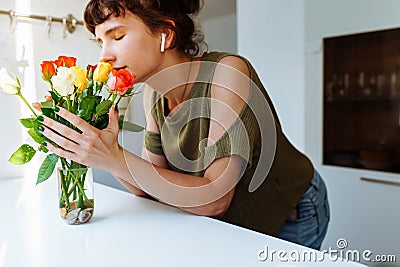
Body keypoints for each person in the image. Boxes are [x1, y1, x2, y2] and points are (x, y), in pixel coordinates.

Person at [38, 0, 330, 250]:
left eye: (117, 36)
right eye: (100, 42)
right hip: (231, 220)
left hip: (293, 209)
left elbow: (215, 200)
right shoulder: (154, 92)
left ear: (165, 34)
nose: (105, 55)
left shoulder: (227, 73)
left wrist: (114, 158)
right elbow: (150, 185)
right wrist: (103, 152)